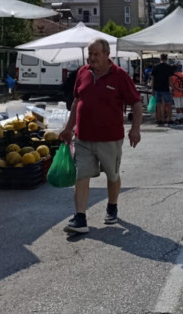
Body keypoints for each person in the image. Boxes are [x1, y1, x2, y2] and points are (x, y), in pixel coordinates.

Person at [61, 38, 142, 234]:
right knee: (81, 175)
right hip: (83, 137)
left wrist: (135, 129)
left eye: (96, 54)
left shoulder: (120, 76)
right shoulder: (83, 72)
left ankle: (112, 206)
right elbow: (76, 102)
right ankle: (80, 217)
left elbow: (136, 103)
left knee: (112, 175)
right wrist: (68, 127)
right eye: (90, 54)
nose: (92, 58)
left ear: (107, 55)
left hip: (110, 138)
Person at [150, 54, 175, 127]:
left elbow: (152, 79)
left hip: (157, 88)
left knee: (159, 104)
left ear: (160, 58)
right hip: (165, 88)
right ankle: (169, 119)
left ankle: (160, 119)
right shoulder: (169, 67)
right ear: (166, 59)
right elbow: (170, 79)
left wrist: (152, 88)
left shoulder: (155, 67)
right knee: (169, 104)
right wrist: (172, 88)